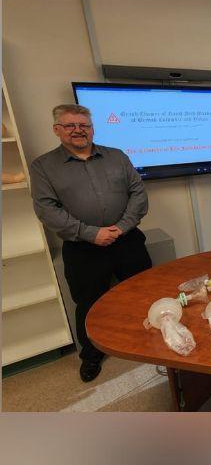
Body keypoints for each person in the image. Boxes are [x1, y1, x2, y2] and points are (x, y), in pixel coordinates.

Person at [30, 104, 151, 382]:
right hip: (83, 248)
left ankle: (150, 339)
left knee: (143, 292)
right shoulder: (44, 167)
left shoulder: (116, 156)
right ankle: (91, 355)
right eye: (70, 125)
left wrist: (120, 227)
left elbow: (138, 193)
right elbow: (47, 210)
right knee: (88, 303)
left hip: (127, 240)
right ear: (57, 130)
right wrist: (90, 233)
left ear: (92, 128)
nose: (78, 131)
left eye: (83, 125)